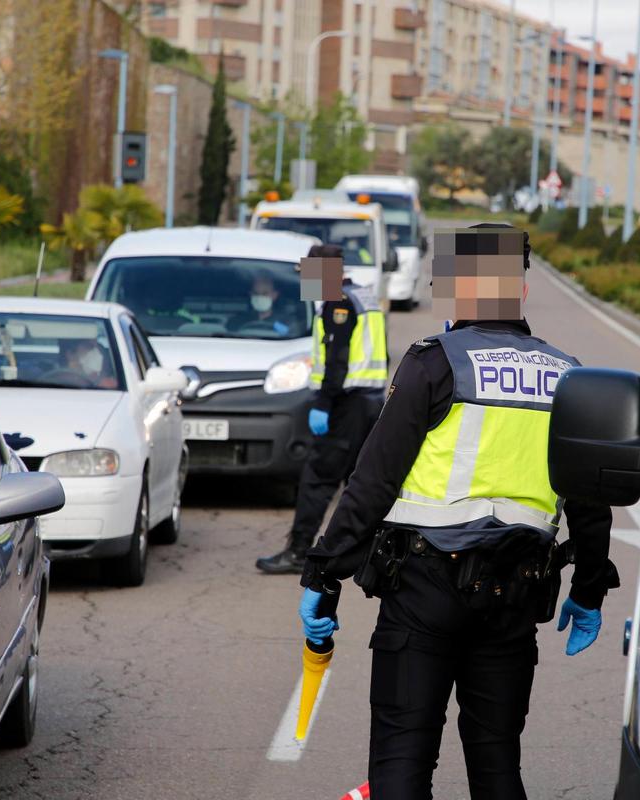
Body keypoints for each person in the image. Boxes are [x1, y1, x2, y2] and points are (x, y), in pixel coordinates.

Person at [296, 223, 619, 798]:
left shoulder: (432, 365)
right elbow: (590, 505)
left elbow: (372, 484)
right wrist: (589, 590)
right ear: (520, 292)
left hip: (423, 591)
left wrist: (324, 573)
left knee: (402, 759)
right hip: (515, 596)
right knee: (497, 768)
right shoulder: (569, 377)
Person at [256, 244, 388, 574]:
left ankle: (299, 552)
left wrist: (324, 405)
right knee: (360, 482)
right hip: (369, 403)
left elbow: (337, 361)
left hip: (346, 404)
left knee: (317, 480)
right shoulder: (363, 296)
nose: (306, 283)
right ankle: (373, 553)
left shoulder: (337, 303)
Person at [229, 271, 292, 336]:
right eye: (256, 293)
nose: (260, 297)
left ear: (274, 295)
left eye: (265, 293)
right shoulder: (238, 320)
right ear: (250, 295)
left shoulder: (287, 322)